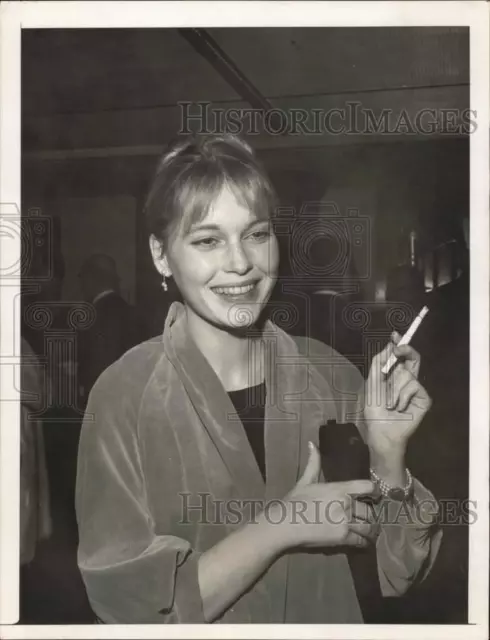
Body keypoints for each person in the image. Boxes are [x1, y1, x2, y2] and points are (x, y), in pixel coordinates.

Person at [75, 135, 442, 624]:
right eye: (208, 240)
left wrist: (390, 457)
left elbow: (398, 575)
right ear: (161, 256)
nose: (240, 263)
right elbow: (135, 613)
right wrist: (282, 525)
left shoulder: (330, 373)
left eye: (256, 234)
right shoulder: (125, 395)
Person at [77, 254, 139, 403]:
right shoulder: (130, 312)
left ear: (91, 278)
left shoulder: (93, 316)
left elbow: (97, 367)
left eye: (82, 279)